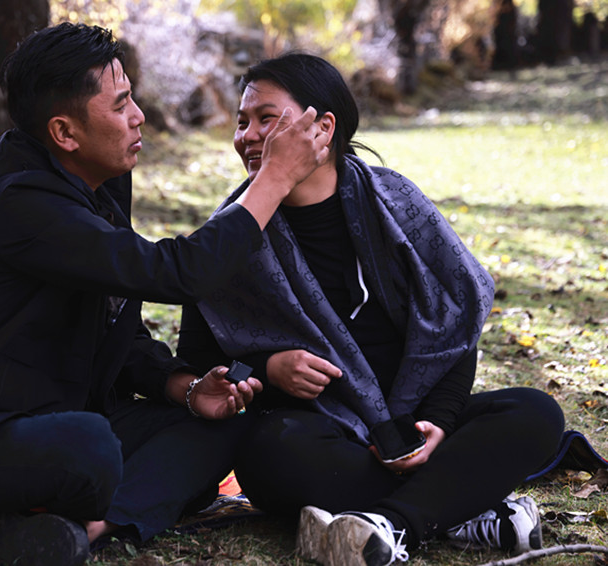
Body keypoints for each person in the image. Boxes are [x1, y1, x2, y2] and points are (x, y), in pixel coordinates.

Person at [0, 24, 329, 566]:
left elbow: (114, 323)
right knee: (89, 444)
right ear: (64, 132)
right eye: (120, 105)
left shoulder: (96, 179)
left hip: (61, 412)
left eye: (132, 99)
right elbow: (177, 274)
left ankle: (80, 528)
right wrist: (274, 179)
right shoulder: (18, 205)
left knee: (227, 419)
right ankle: (101, 500)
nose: (139, 116)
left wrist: (185, 387)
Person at [177, 52, 565, 566]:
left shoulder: (396, 203)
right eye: (242, 121)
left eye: (266, 118)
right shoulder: (229, 235)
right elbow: (200, 362)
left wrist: (440, 422)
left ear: (323, 127)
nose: (247, 136)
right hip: (321, 433)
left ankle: (393, 524)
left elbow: (454, 325)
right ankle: (459, 508)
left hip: (415, 420)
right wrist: (268, 370)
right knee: (271, 452)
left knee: (535, 413)